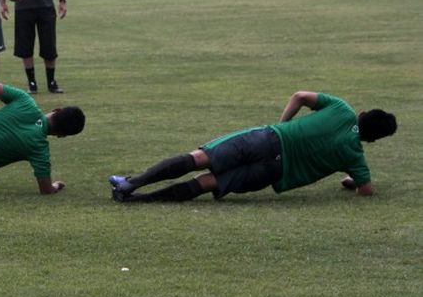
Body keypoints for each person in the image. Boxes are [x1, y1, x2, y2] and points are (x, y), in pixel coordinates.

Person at [109, 92, 396, 202]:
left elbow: (299, 96)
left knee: (200, 158)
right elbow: (366, 190)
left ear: (363, 113)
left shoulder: (343, 109)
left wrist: (282, 124)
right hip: (275, 169)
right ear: (372, 139)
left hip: (270, 138)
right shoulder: (355, 156)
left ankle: (131, 184)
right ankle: (139, 201)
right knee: (209, 182)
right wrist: (351, 181)